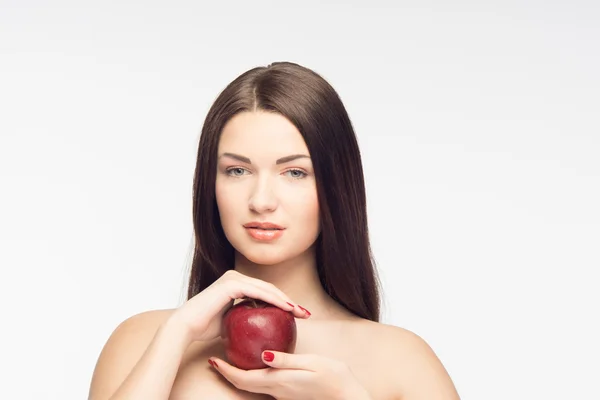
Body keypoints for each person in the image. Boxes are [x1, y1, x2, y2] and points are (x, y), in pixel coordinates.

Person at [88, 61, 461, 400]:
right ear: (209, 185)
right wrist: (177, 333)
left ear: (335, 185)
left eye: (295, 172)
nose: (261, 200)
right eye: (237, 171)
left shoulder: (403, 360)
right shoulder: (145, 339)